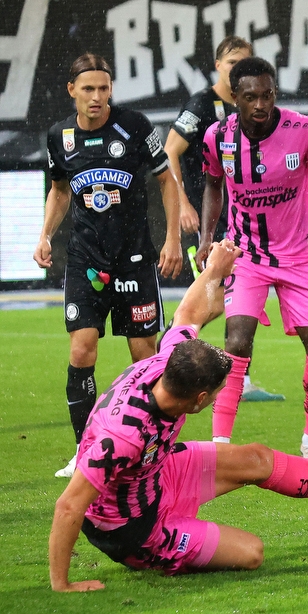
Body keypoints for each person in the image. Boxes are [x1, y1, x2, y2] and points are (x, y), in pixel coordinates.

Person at [48, 238, 308, 592]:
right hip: (135, 529)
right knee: (251, 553)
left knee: (258, 459)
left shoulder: (169, 360)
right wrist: (62, 584)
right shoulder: (124, 436)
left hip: (156, 472)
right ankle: (154, 553)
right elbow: (69, 505)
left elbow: (189, 312)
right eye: (217, 393)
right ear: (199, 399)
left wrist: (216, 271)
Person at [195, 56, 308, 461]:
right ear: (234, 97)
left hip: (298, 258)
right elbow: (213, 183)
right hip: (245, 254)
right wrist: (206, 239)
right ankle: (219, 447)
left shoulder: (303, 130)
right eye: (251, 97)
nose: (261, 104)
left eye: (267, 95)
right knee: (236, 341)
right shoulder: (218, 138)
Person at [34, 53, 183, 479]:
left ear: (111, 89)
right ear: (72, 92)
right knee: (82, 349)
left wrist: (172, 239)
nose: (97, 97)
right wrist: (44, 235)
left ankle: (154, 447)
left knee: (144, 356)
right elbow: (59, 192)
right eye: (88, 89)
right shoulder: (58, 136)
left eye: (103, 88)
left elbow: (166, 180)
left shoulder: (134, 127)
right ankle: (84, 452)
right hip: (85, 260)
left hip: (134, 261)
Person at [163, 36, 280, 402]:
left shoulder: (251, 104)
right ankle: (173, 345)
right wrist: (183, 202)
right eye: (231, 63)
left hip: (241, 219)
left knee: (238, 299)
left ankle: (235, 376)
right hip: (213, 220)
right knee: (218, 298)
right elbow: (170, 150)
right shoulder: (202, 105)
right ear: (218, 66)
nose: (236, 70)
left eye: (243, 64)